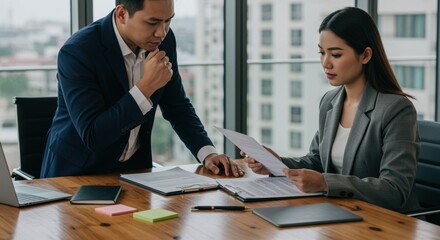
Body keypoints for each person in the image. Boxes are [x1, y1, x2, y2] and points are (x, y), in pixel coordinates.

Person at [244, 7, 420, 212]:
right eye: (321, 52)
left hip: (385, 222)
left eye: (335, 54)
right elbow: (317, 160)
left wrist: (326, 183)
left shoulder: (396, 110)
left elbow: (394, 190)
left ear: (365, 55)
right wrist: (277, 163)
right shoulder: (330, 102)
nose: (325, 63)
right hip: (339, 212)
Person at [41, 0, 244, 178]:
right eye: (153, 22)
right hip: (75, 176)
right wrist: (145, 88)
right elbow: (93, 135)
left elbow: (177, 106)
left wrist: (207, 153)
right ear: (122, 14)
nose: (162, 32)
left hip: (134, 173)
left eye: (168, 21)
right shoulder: (78, 51)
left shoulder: (164, 40)